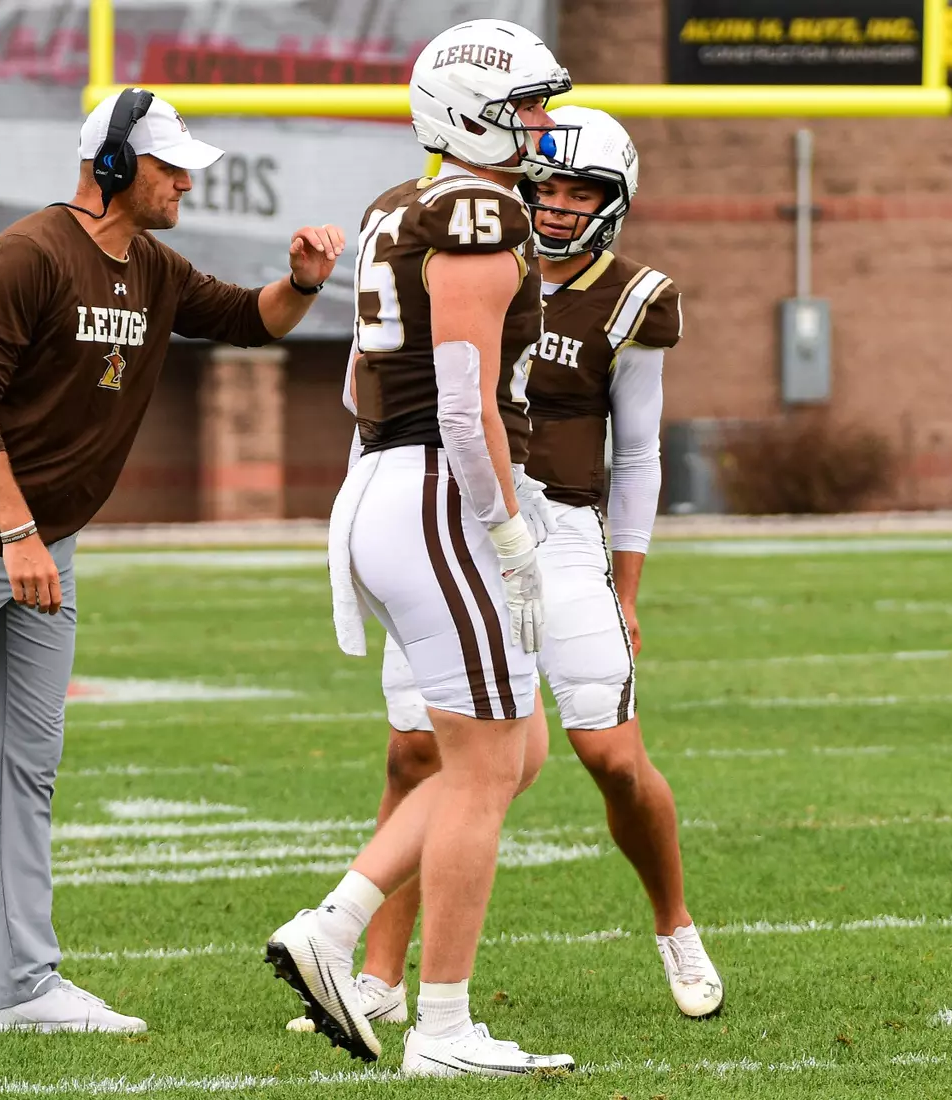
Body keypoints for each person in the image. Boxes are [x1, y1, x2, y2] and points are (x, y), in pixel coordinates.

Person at [0, 88, 345, 1047]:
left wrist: (300, 283)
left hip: (42, 540)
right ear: (114, 167)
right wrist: (16, 533)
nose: (185, 183)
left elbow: (247, 319)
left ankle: (25, 986)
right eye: (170, 167)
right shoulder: (25, 256)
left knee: (31, 765)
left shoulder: (152, 266)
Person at [289, 106, 724, 1040]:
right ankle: (378, 977)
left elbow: (637, 455)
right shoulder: (471, 244)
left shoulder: (632, 296)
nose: (559, 205)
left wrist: (628, 587)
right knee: (423, 753)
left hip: (555, 528)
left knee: (608, 756)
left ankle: (675, 925)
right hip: (457, 516)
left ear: (613, 203)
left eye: (581, 192)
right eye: (549, 186)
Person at [264, 19, 580, 1078]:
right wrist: (508, 528)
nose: (542, 125)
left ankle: (338, 922)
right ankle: (442, 1027)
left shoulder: (400, 203)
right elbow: (460, 401)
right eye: (526, 107)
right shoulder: (481, 211)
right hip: (440, 490)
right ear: (471, 113)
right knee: (486, 767)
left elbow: (366, 383)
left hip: (389, 485)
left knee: (513, 751)